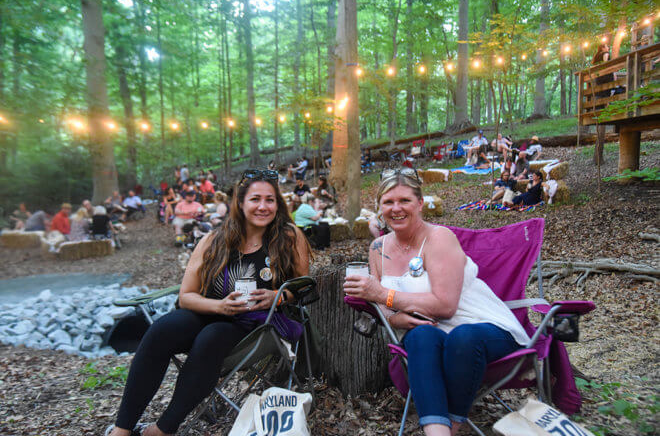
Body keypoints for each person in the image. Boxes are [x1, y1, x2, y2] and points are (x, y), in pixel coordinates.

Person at [105, 169, 311, 436]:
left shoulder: (289, 236)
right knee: (162, 329)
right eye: (255, 199)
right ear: (240, 203)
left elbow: (302, 284)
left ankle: (162, 429)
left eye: (270, 200)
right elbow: (186, 296)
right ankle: (121, 430)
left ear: (278, 204)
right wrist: (219, 306)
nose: (263, 206)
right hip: (211, 310)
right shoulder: (214, 239)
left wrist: (278, 296)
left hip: (257, 323)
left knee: (211, 336)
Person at [343, 169, 528, 436]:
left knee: (462, 337)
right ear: (379, 207)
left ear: (420, 203)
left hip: (480, 326)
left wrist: (383, 295)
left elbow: (445, 306)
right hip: (428, 331)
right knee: (420, 337)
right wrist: (394, 318)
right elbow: (382, 308)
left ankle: (449, 428)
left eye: (405, 200)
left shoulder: (439, 238)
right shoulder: (378, 248)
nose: (396, 209)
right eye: (388, 202)